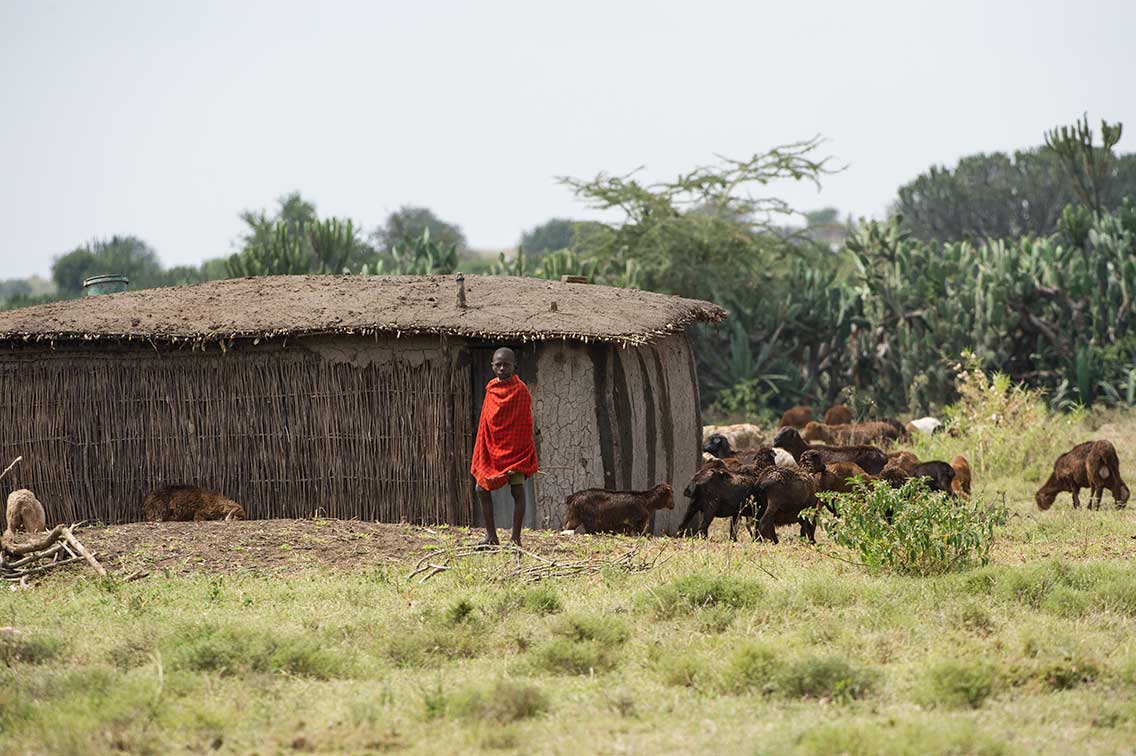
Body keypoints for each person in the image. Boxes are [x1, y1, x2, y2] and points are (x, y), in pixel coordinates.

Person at [469, 347, 538, 546]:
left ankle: (515, 539)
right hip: (492, 449)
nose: (501, 368)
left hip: (515, 451)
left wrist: (520, 450)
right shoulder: (491, 388)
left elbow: (524, 423)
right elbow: (486, 421)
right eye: (497, 364)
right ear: (492, 366)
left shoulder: (521, 390)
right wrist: (486, 444)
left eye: (506, 364)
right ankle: (491, 537)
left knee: (517, 491)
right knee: (481, 488)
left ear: (514, 366)